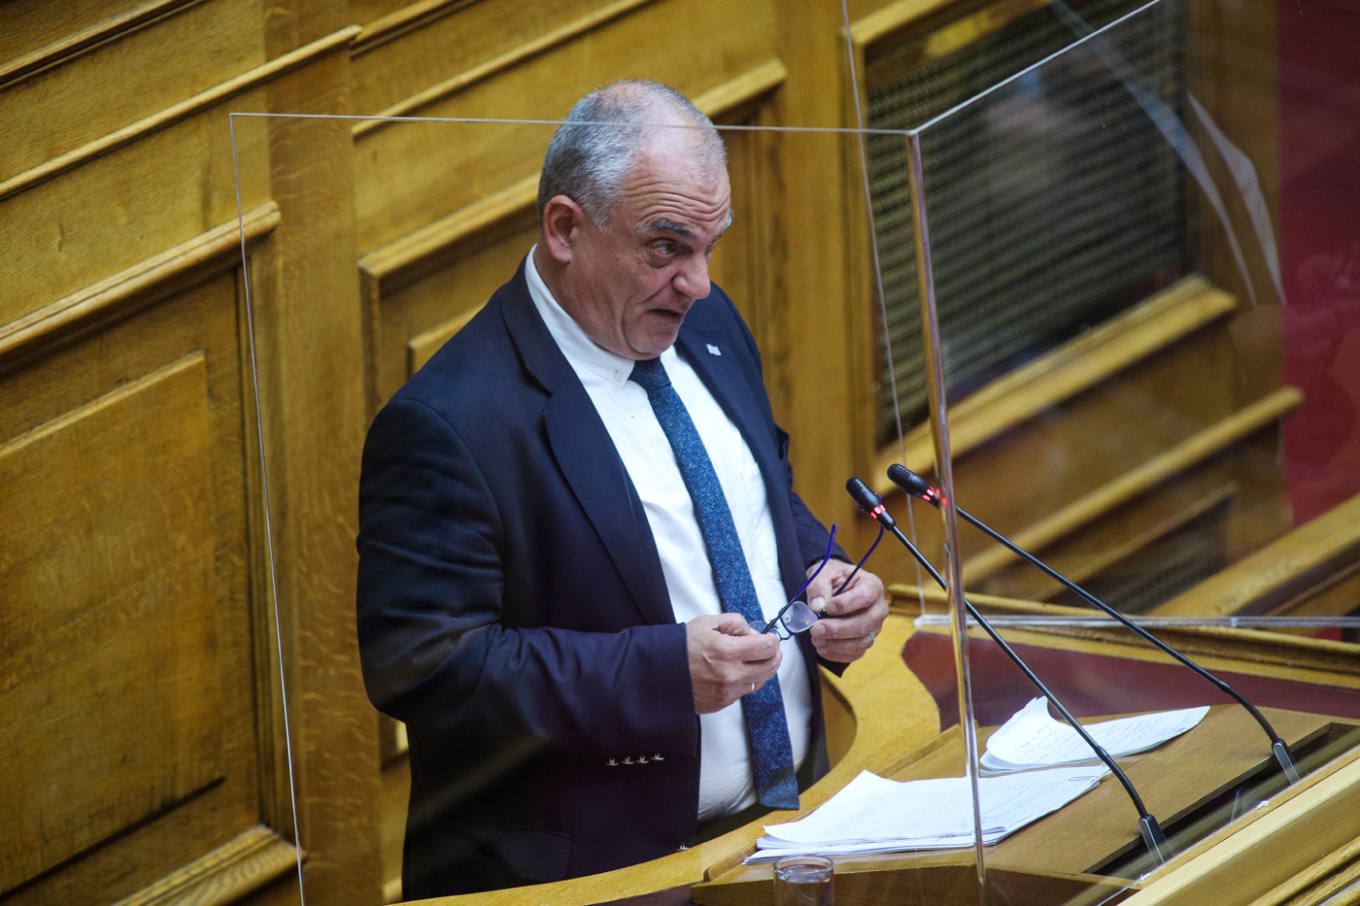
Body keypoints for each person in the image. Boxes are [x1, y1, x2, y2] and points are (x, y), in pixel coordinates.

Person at [356, 80, 888, 899]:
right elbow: (427, 670)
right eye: (666, 248)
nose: (697, 282)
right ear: (566, 228)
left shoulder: (705, 323)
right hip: (596, 878)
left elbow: (754, 494)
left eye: (710, 247)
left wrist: (822, 577)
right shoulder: (449, 423)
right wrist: (662, 672)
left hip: (790, 833)